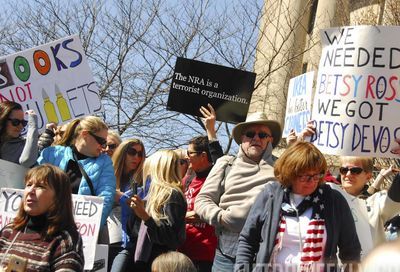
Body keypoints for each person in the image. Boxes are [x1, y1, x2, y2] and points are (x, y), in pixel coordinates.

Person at [235, 142, 361, 272]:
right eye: (305, 176)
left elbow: (351, 251)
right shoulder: (271, 195)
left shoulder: (334, 200)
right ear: (290, 173)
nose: (312, 181)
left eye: (317, 175)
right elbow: (248, 240)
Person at [195, 112, 282, 271]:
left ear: (270, 140)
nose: (256, 138)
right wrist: (221, 217)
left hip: (266, 257)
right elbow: (202, 200)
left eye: (262, 135)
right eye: (250, 134)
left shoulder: (282, 169)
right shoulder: (225, 163)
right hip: (226, 257)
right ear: (242, 138)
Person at [0, 164, 84, 271]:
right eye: (29, 184)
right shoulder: (9, 231)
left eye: (40, 186)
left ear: (58, 198)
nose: (31, 191)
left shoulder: (65, 240)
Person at [37, 116, 116, 226]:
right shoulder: (52, 153)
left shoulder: (104, 162)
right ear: (85, 135)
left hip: (79, 229)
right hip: (44, 224)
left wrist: (91, 228)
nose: (103, 147)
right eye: (101, 141)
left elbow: (106, 197)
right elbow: (32, 181)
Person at [128, 149, 187, 271]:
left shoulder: (172, 195)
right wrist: (135, 213)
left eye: (149, 169)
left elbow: (169, 237)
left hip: (159, 261)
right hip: (144, 259)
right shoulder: (150, 195)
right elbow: (133, 231)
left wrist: (145, 216)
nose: (147, 173)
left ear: (158, 168)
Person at [333, 156, 400, 256]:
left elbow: (395, 197)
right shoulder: (329, 198)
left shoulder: (376, 202)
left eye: (355, 171)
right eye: (344, 170)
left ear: (368, 177)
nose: (348, 174)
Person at [179, 136, 219, 272]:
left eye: (190, 153)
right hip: (183, 252)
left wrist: (178, 216)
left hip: (205, 254)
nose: (187, 156)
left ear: (203, 156)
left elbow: (205, 213)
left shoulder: (216, 180)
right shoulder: (187, 180)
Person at [109, 139, 146, 272]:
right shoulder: (107, 174)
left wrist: (122, 197)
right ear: (122, 153)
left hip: (125, 242)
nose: (136, 157)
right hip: (102, 238)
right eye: (132, 152)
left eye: (140, 154)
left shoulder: (142, 180)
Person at [0, 101, 38, 167]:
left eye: (23, 122)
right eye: (15, 122)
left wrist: (33, 127)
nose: (20, 126)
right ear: (3, 120)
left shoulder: (24, 143)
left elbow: (27, 160)